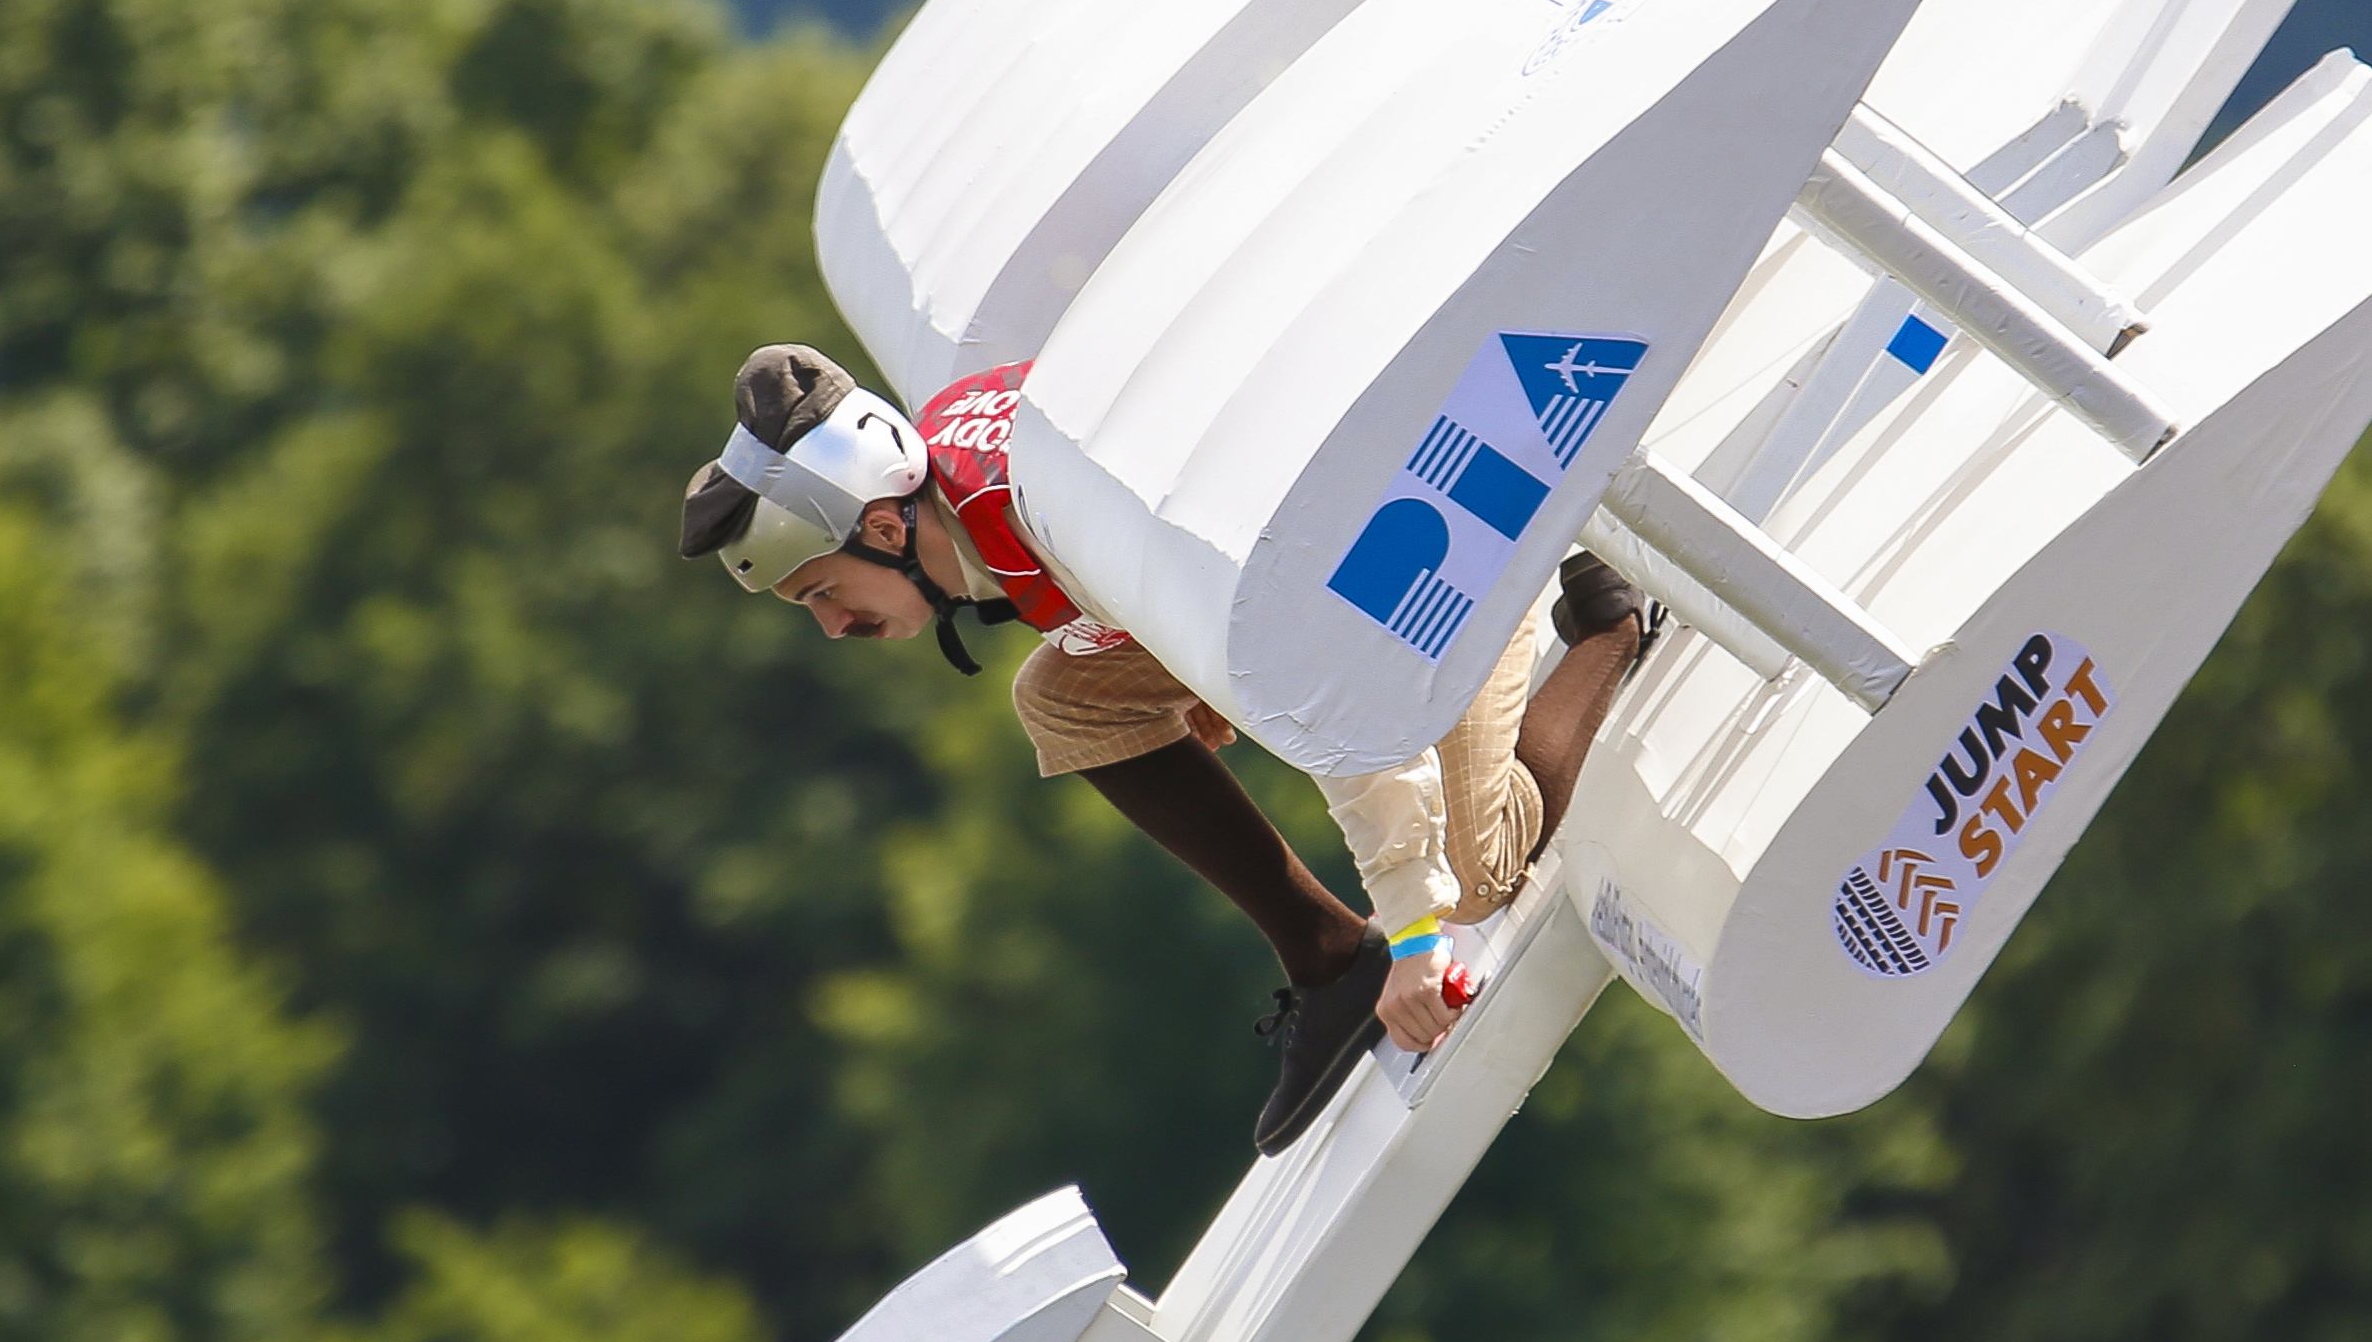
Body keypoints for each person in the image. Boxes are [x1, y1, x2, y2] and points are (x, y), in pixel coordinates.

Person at [684, 347, 1661, 1152]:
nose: (832, 627)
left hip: (1445, 512)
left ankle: (1604, 612)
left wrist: (1415, 932)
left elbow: (1330, 690)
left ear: (887, 526)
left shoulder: (1055, 521)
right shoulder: (968, 464)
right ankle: (1330, 961)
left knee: (1474, 875)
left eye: (820, 592)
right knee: (1063, 699)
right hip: (1350, 516)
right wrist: (1189, 657)